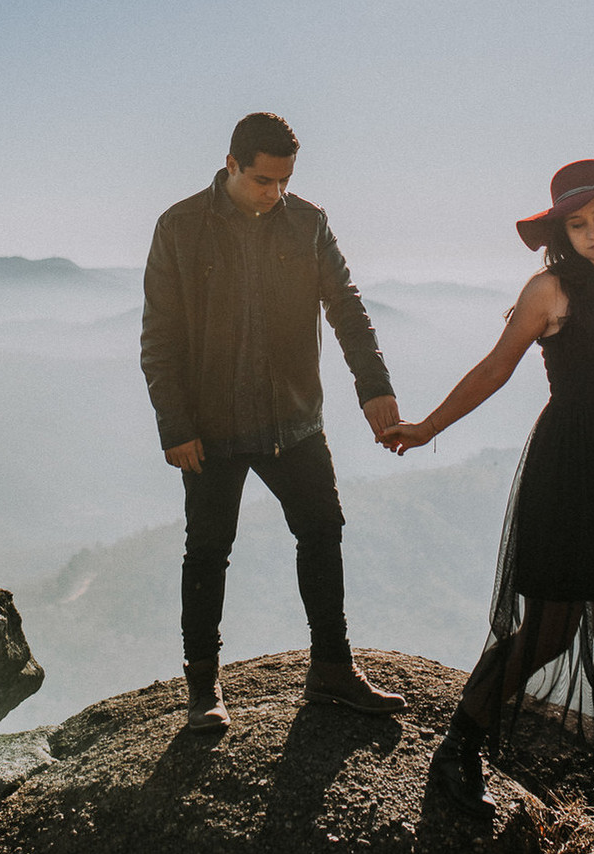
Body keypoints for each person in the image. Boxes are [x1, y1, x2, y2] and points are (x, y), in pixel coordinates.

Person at [379, 159, 594, 853]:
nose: (592, 233)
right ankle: (460, 746)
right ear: (561, 233)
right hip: (567, 470)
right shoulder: (549, 290)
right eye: (576, 224)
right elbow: (497, 368)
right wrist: (427, 428)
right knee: (551, 629)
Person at [141, 111, 407, 731]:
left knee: (322, 531)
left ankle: (333, 672)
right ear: (232, 164)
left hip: (294, 420)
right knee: (207, 551)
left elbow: (346, 306)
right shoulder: (179, 227)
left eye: (285, 181)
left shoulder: (308, 223)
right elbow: (160, 337)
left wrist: (374, 388)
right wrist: (175, 426)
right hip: (212, 426)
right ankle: (203, 689)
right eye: (264, 180)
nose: (275, 193)